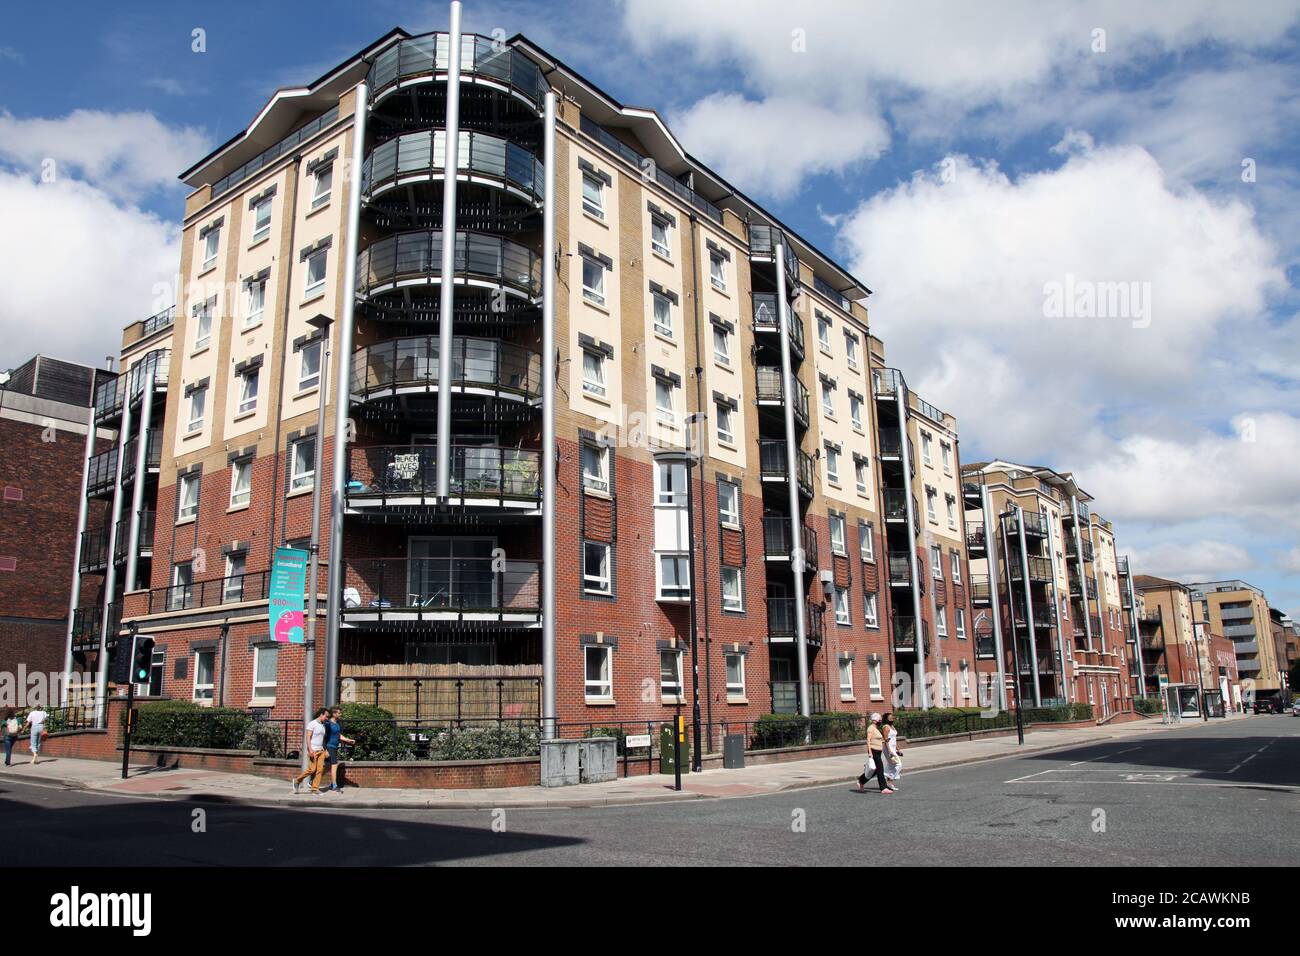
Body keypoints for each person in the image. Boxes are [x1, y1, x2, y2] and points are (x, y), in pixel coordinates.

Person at [291, 707, 330, 794]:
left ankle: (314, 789)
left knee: (319, 770)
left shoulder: (323, 725)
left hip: (321, 751)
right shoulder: (312, 724)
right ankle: (297, 781)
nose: (327, 718)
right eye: (326, 716)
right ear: (321, 714)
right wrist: (310, 750)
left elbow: (322, 739)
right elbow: (308, 737)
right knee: (312, 769)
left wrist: (325, 750)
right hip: (313, 750)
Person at [856, 712, 893, 794]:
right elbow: (868, 741)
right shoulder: (870, 728)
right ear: (874, 720)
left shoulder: (876, 728)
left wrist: (885, 740)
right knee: (880, 769)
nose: (880, 721)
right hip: (873, 751)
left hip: (878, 751)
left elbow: (877, 739)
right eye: (879, 720)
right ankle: (883, 788)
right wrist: (869, 752)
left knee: (875, 770)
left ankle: (861, 781)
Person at [323, 706, 356, 793]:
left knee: (328, 766)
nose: (340, 714)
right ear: (334, 714)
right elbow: (323, 736)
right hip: (329, 746)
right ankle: (334, 785)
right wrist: (325, 749)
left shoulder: (337, 724)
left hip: (335, 746)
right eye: (339, 713)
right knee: (334, 765)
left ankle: (313, 780)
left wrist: (348, 740)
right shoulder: (328, 724)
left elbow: (338, 735)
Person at [882, 713, 903, 791]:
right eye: (890, 718)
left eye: (893, 717)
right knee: (899, 764)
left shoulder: (892, 727)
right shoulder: (886, 727)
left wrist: (898, 749)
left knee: (892, 765)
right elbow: (885, 740)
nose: (892, 718)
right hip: (888, 748)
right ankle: (887, 776)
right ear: (886, 719)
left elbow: (894, 739)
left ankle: (890, 783)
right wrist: (890, 750)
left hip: (893, 748)